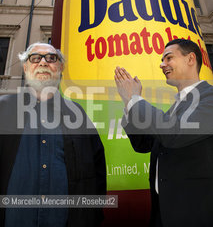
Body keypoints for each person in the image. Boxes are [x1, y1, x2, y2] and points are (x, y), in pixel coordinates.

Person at [0, 42, 106, 227]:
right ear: (25, 67)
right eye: (35, 58)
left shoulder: (78, 116)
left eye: (51, 58)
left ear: (61, 68)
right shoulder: (4, 109)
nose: (43, 62)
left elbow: (97, 174)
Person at [114, 39, 213, 227]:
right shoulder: (175, 108)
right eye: (162, 60)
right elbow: (143, 145)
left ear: (191, 58)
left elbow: (175, 134)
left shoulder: (209, 98)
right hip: (164, 211)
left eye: (169, 58)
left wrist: (135, 99)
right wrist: (128, 105)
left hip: (195, 212)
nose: (162, 64)